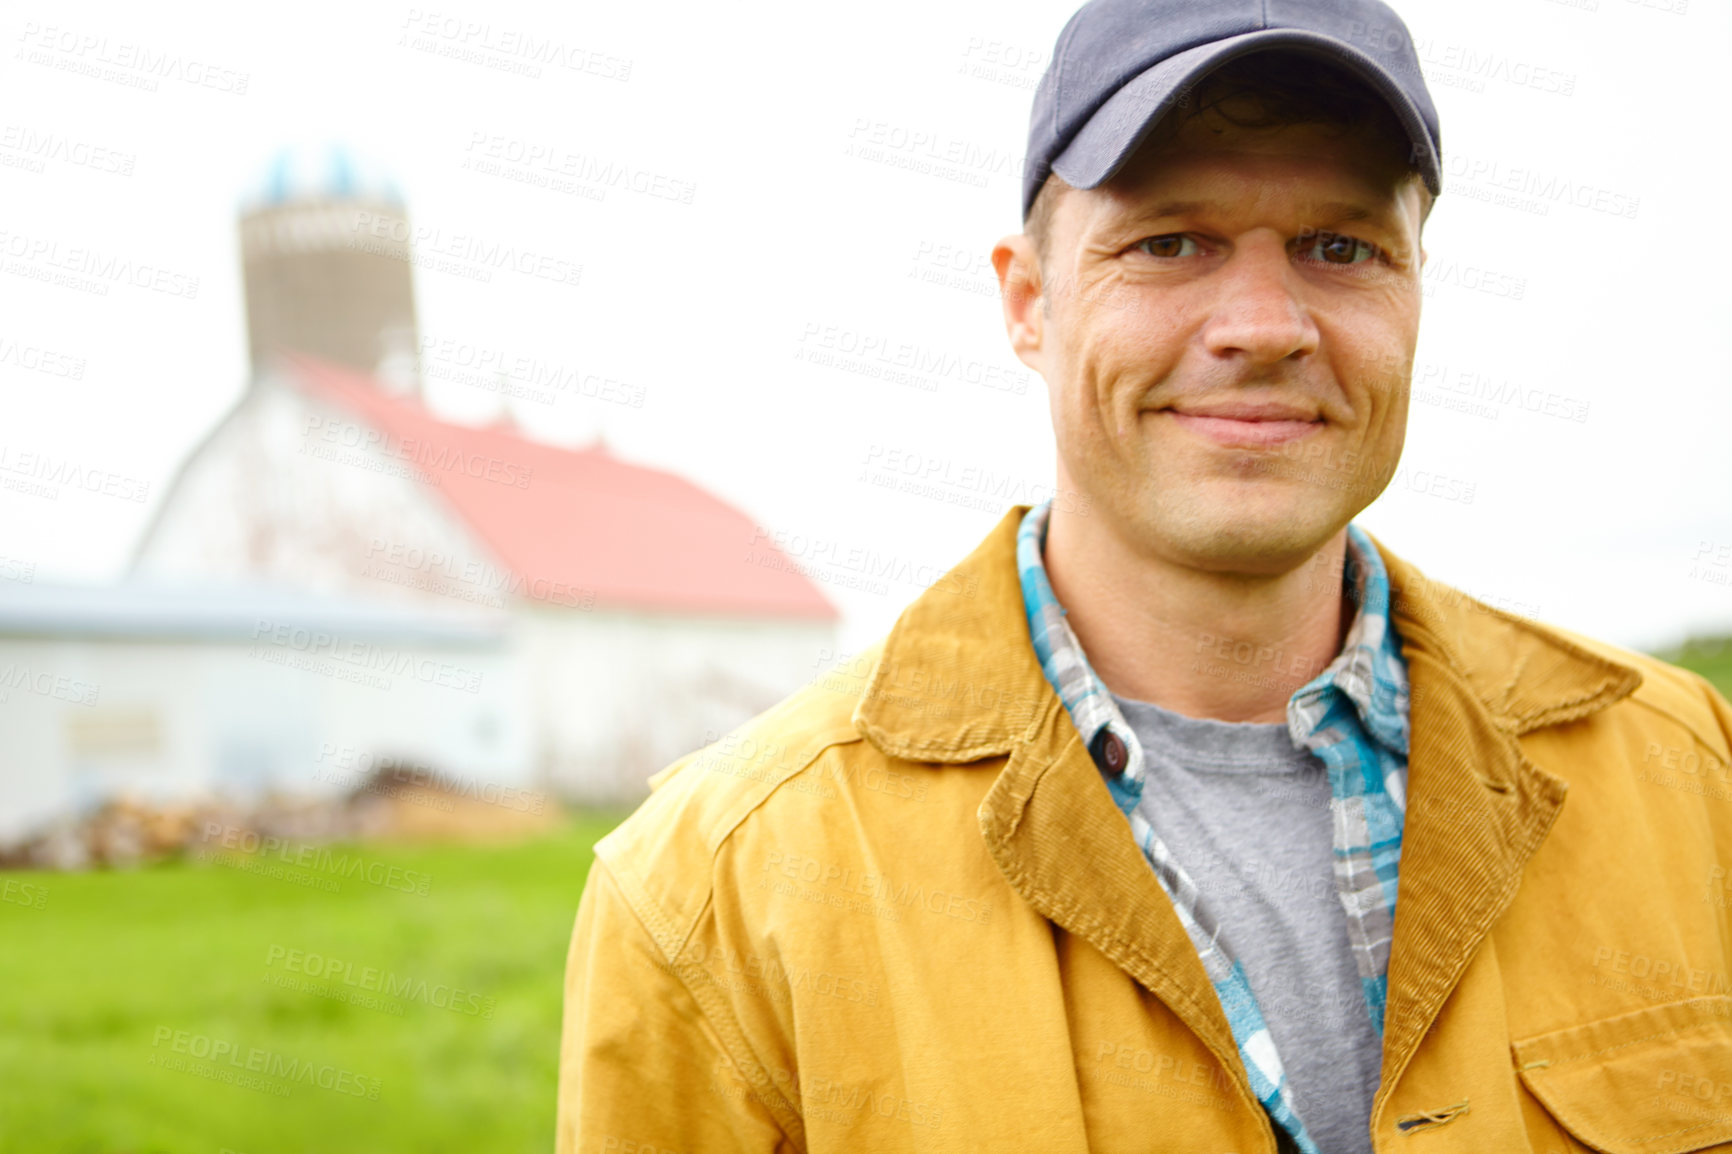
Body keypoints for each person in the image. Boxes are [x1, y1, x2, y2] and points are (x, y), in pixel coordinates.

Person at [556, 1, 1732, 1151]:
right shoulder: (717, 890)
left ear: (1415, 289)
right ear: (1027, 300)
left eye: (1341, 247)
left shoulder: (1687, 778)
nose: (1265, 325)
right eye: (1171, 242)